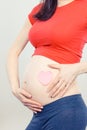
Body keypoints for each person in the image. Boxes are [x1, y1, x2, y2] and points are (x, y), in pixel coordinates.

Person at [6, 0, 87, 129]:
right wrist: (15, 87)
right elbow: (13, 51)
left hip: (65, 110)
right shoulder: (41, 9)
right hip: (39, 114)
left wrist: (76, 69)